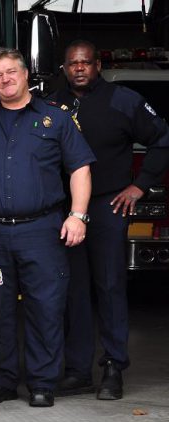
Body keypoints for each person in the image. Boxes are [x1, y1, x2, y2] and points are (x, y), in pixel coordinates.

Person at [0, 48, 95, 408]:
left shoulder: (54, 120)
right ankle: (3, 380)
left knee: (45, 308)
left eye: (11, 72)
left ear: (27, 75)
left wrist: (78, 215)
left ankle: (43, 383)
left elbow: (80, 169)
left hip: (42, 231)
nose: (5, 79)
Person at [51, 40, 169, 400]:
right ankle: (77, 370)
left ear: (98, 65)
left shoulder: (124, 100)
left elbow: (163, 138)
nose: (80, 69)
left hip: (107, 207)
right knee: (73, 291)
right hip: (65, 211)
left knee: (110, 287)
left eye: (86, 62)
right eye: (73, 64)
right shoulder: (52, 103)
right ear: (65, 68)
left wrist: (139, 186)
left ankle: (114, 367)